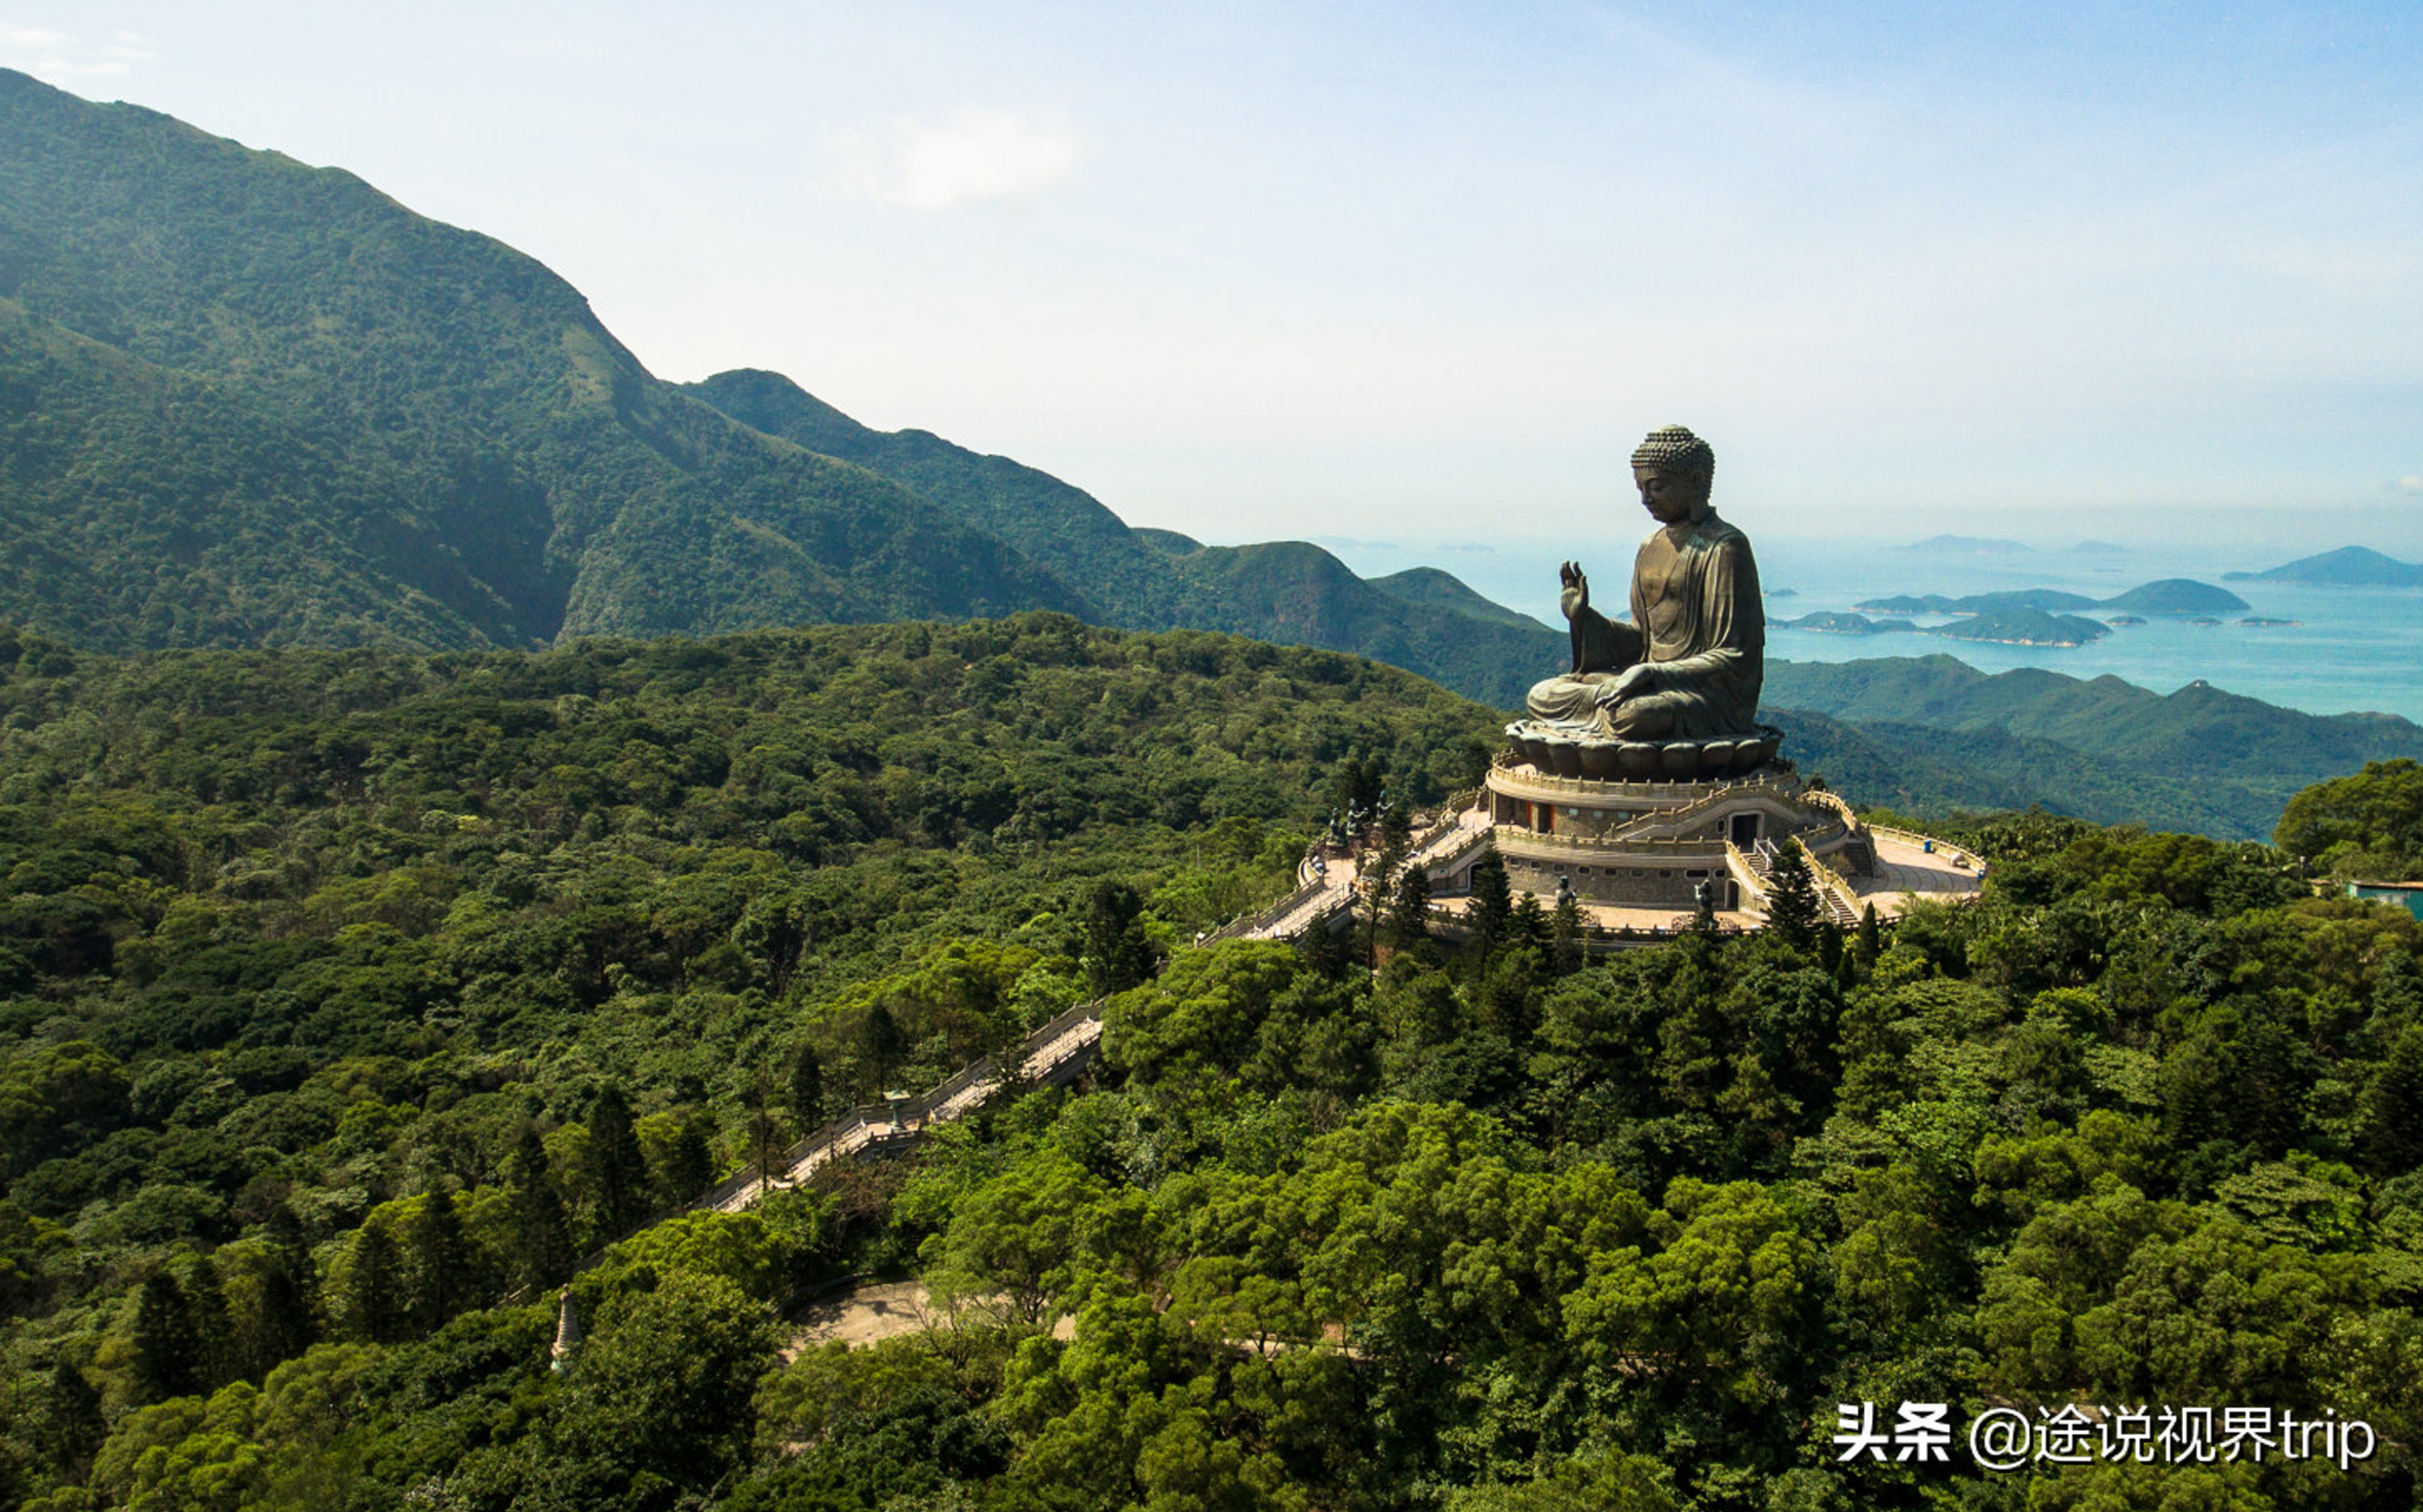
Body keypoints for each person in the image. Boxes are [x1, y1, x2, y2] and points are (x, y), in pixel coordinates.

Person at [1524, 425, 1764, 740]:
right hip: (1645, 680)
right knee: (1543, 694)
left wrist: (1653, 673)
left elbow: (1734, 655)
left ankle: (1611, 719)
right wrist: (1584, 617)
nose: (1645, 499)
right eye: (1640, 489)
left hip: (1700, 695)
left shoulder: (1724, 547)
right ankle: (1607, 713)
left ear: (1694, 481)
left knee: (1633, 716)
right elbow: (1641, 640)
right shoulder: (1649, 546)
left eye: (1656, 487)